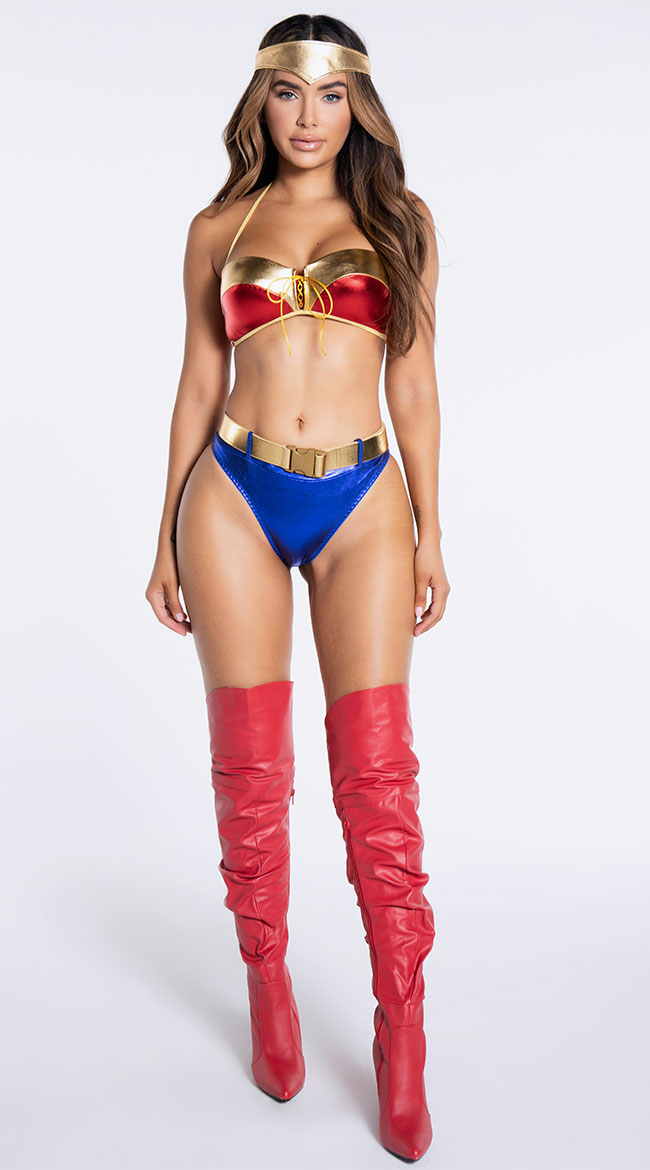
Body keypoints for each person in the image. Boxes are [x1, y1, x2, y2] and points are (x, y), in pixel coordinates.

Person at [145, 15, 450, 1163]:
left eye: (328, 96)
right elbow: (197, 381)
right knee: (251, 765)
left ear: (356, 105)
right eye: (287, 93)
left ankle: (401, 1030)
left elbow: (413, 385)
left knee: (375, 773)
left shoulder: (400, 221)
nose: (308, 117)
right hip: (232, 489)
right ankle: (266, 981)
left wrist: (429, 531)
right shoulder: (217, 227)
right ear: (260, 103)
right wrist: (161, 536)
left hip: (362, 498)